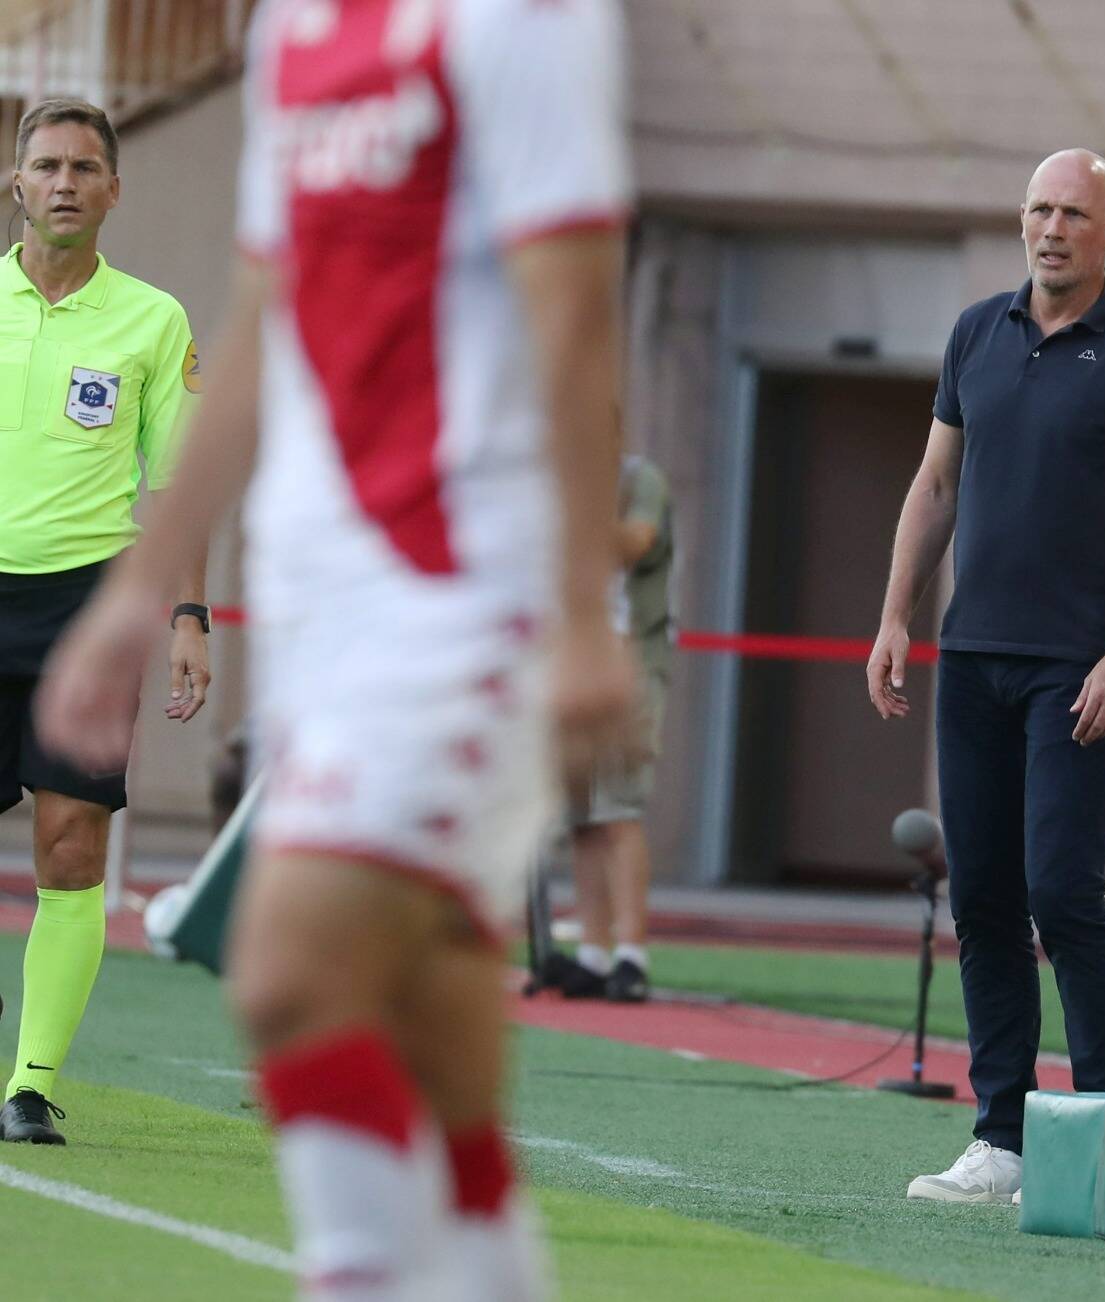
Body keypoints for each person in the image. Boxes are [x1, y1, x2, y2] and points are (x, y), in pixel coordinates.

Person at [34, 1, 634, 1296]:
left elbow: (578, 307)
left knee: (286, 963)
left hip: (466, 581)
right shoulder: (295, 28)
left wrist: (587, 614)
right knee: (430, 1016)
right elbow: (262, 316)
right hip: (325, 593)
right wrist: (144, 590)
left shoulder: (518, 21)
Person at [868, 149, 1105, 1204]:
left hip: (1081, 668)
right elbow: (934, 483)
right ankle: (1000, 1138)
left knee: (1062, 891)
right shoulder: (978, 330)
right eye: (1037, 210)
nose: (1051, 228)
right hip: (972, 660)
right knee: (983, 900)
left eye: (1073, 213)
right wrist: (892, 616)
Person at [0, 97, 208, 1146]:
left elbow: (173, 488)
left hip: (87, 606)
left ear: (115, 190)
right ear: (17, 184)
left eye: (86, 167)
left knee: (71, 846)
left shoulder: (154, 320)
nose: (66, 181)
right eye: (47, 165)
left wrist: (186, 615)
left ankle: (28, 1084)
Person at [551, 452, 672, 1002]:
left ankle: (632, 953)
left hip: (629, 665)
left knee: (619, 810)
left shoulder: (637, 480)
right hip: (576, 663)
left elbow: (635, 543)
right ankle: (594, 953)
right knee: (582, 816)